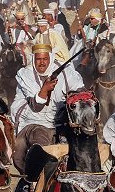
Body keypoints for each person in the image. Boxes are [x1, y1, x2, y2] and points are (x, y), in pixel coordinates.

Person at [10, 42, 84, 174]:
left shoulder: (65, 71)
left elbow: (80, 89)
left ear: (50, 59)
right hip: (34, 122)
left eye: (45, 59)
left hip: (61, 122)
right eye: (38, 59)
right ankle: (38, 185)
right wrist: (45, 89)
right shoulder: (26, 75)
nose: (42, 63)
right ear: (34, 59)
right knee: (41, 147)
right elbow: (36, 106)